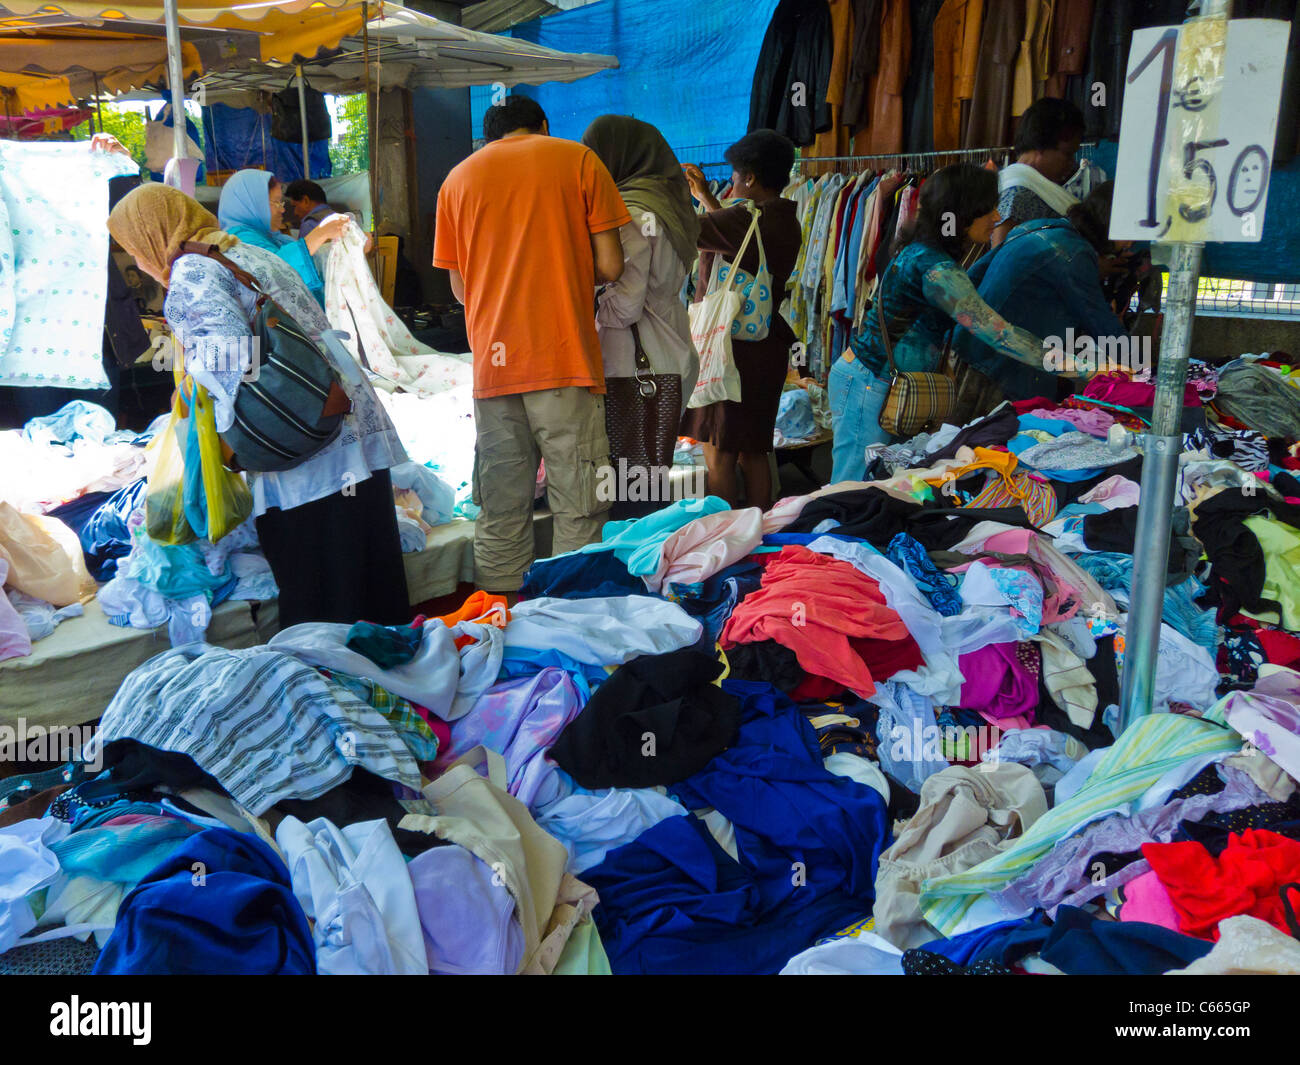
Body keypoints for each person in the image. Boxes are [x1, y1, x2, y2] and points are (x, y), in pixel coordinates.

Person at [108, 183, 411, 629]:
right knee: (372, 578)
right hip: (344, 422)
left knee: (325, 602)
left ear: (154, 235)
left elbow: (228, 356)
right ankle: (390, 677)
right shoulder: (245, 251)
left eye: (134, 248)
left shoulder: (193, 271)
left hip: (303, 445)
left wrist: (191, 392)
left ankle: (333, 687)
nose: (137, 261)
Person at [433, 95, 630, 593]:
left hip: (494, 371)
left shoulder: (456, 180)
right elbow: (610, 267)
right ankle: (568, 610)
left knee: (501, 502)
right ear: (542, 126)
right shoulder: (580, 161)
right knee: (579, 501)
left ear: (490, 133)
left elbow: (460, 289)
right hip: (564, 359)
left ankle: (499, 615)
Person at [828, 164, 1072, 484]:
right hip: (869, 384)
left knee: (880, 487)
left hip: (880, 384)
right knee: (850, 489)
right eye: (988, 208)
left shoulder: (929, 255)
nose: (997, 217)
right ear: (962, 211)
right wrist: (1077, 365)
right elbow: (1001, 335)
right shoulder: (934, 268)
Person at [682, 129, 802, 512]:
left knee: (718, 451)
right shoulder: (784, 219)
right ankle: (759, 531)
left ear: (750, 177)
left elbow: (686, 232)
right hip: (765, 347)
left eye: (735, 175)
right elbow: (736, 235)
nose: (732, 181)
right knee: (753, 449)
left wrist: (665, 192)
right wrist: (704, 195)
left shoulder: (744, 219)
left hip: (728, 350)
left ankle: (725, 535)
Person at [582, 114, 701, 501]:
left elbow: (625, 306)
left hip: (633, 365)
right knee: (649, 475)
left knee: (632, 490)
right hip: (668, 352)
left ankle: (639, 559)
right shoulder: (668, 204)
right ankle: (654, 553)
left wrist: (589, 302)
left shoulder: (629, 212)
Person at [953, 182, 1131, 401]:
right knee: (989, 433)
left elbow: (974, 275)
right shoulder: (1073, 255)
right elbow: (1101, 324)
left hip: (971, 350)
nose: (1131, 243)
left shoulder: (1038, 227)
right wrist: (1143, 368)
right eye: (1130, 230)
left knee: (963, 432)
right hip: (1001, 369)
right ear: (1111, 223)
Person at [217, 169, 349, 306]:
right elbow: (277, 272)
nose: (283, 210)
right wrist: (320, 233)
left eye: (282, 203)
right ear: (253, 204)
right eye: (276, 202)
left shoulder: (272, 237)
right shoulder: (239, 241)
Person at [991, 97, 1086, 248]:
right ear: (1041, 145)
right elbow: (1001, 258)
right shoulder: (1018, 194)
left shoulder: (1027, 187)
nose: (1072, 163)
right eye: (1067, 154)